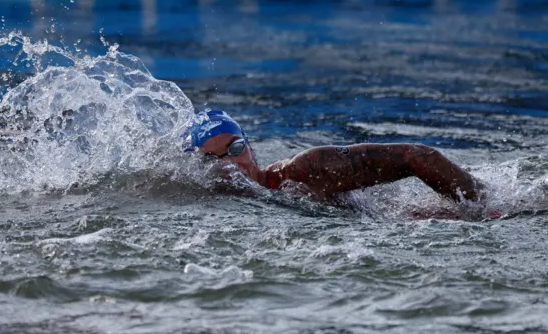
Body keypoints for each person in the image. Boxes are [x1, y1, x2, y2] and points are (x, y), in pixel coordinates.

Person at [183, 109, 488, 208]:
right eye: (214, 160)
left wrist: (483, 208)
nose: (232, 164)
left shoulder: (306, 171)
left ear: (251, 146)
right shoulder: (203, 203)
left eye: (237, 149)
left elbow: (418, 156)